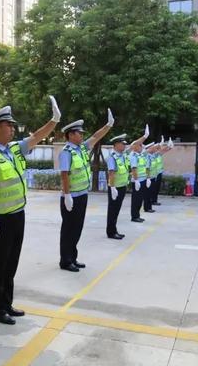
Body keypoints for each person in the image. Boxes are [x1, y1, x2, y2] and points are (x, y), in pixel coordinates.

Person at [0, 97, 60, 325]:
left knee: (11, 263)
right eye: (8, 125)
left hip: (17, 215)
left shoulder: (13, 150)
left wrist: (54, 121)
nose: (13, 129)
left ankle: (7, 303)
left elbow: (36, 137)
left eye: (13, 126)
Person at [58, 109, 115, 272]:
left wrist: (108, 125)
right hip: (71, 197)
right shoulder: (66, 152)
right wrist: (67, 195)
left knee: (77, 228)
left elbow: (96, 136)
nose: (82, 135)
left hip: (82, 195)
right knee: (68, 229)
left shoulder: (81, 149)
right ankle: (65, 260)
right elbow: (64, 175)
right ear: (70, 135)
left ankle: (73, 257)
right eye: (79, 133)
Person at [106, 134, 129, 240]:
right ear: (116, 145)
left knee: (116, 210)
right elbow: (111, 173)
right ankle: (111, 232)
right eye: (122, 144)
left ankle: (114, 230)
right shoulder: (112, 157)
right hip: (115, 188)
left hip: (122, 186)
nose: (124, 146)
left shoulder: (122, 156)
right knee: (113, 210)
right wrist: (112, 187)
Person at [129, 125, 150, 223]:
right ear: (135, 147)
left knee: (140, 199)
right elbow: (134, 169)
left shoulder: (141, 155)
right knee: (136, 200)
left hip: (142, 180)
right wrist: (145, 136)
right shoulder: (133, 155)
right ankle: (134, 216)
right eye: (139, 145)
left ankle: (137, 215)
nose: (141, 147)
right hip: (137, 181)